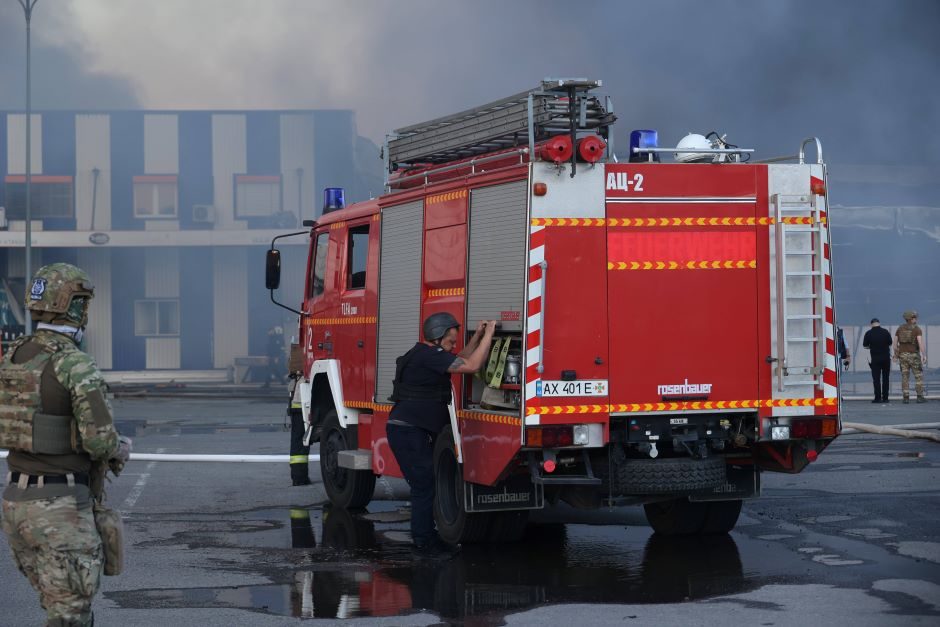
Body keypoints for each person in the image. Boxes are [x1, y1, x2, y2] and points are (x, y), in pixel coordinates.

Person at [1, 263, 131, 627]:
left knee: (57, 607)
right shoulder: (73, 363)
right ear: (73, 305)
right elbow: (100, 441)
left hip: (16, 504)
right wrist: (120, 447)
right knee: (70, 616)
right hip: (59, 511)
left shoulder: (13, 356)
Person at [386, 313, 496, 559]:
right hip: (408, 430)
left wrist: (477, 336)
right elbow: (471, 366)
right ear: (437, 337)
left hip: (408, 429)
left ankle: (426, 538)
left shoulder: (427, 354)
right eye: (449, 342)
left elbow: (457, 359)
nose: (452, 346)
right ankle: (424, 543)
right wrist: (489, 336)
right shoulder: (427, 356)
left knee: (425, 484)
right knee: (424, 485)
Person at [894, 310, 928, 403]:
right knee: (918, 376)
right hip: (914, 355)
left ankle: (905, 398)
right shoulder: (917, 329)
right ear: (911, 318)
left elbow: (895, 344)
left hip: (902, 356)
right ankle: (920, 397)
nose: (916, 319)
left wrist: (896, 355)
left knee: (905, 376)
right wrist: (924, 355)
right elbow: (920, 343)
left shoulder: (899, 329)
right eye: (914, 317)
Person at [863, 318, 893, 403]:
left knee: (876, 379)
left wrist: (872, 346)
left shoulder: (868, 333)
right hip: (886, 358)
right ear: (879, 323)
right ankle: (886, 398)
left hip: (875, 359)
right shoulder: (885, 332)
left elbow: (865, 345)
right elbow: (890, 343)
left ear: (871, 324)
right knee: (886, 378)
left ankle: (878, 398)